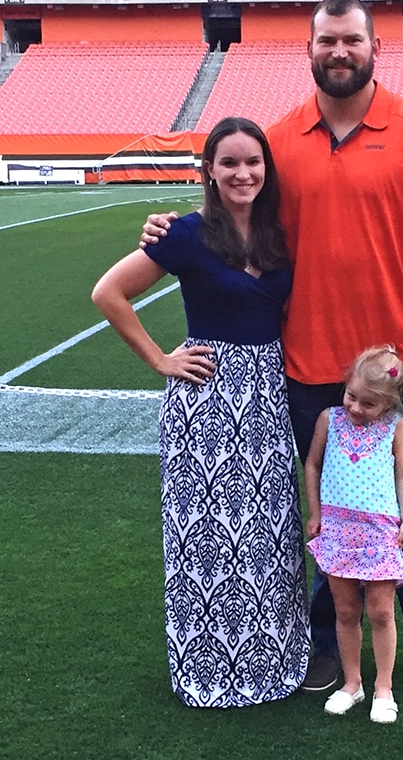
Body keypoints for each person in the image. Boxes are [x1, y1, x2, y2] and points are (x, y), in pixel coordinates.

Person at [140, 0, 403, 702]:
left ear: (374, 47)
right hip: (304, 366)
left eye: (351, 40)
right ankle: (327, 642)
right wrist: (171, 227)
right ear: (309, 50)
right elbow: (234, 213)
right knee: (324, 509)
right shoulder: (279, 140)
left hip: (396, 370)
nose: (339, 52)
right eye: (326, 41)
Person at [92, 116, 310, 708]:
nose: (243, 173)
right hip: (205, 404)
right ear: (209, 170)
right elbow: (108, 293)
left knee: (269, 537)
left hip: (267, 400)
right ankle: (209, 667)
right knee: (207, 540)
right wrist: (161, 359)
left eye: (253, 162)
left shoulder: (279, 234)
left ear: (268, 168)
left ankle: (273, 659)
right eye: (230, 162)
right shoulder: (184, 234)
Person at [305, 346, 403, 723]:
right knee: (346, 610)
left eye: (368, 404)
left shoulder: (395, 428)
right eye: (351, 396)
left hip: (379, 533)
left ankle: (383, 688)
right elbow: (313, 465)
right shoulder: (329, 419)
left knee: (381, 612)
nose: (355, 408)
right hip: (336, 530)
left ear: (388, 404)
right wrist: (316, 513)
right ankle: (352, 683)